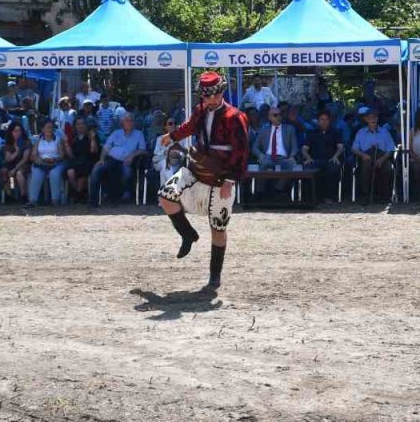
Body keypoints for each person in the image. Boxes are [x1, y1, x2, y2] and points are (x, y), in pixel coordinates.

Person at [159, 71, 250, 292]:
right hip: (195, 168)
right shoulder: (200, 110)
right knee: (166, 196)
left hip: (222, 175)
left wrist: (230, 179)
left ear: (221, 92)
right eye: (207, 96)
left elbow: (242, 151)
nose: (211, 100)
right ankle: (187, 234)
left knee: (218, 227)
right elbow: (190, 126)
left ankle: (214, 276)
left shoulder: (235, 117)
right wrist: (172, 136)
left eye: (215, 95)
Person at [91, 113, 148, 203]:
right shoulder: (116, 133)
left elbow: (143, 150)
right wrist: (101, 159)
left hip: (127, 161)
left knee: (127, 173)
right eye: (127, 121)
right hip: (111, 159)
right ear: (122, 122)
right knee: (97, 169)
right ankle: (93, 200)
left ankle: (118, 196)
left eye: (131, 121)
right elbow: (106, 148)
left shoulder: (139, 134)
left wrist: (132, 156)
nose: (129, 123)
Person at [352, 107, 396, 201]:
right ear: (366, 119)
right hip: (366, 157)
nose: (373, 119)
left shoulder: (385, 132)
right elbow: (354, 148)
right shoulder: (361, 132)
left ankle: (385, 196)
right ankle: (365, 194)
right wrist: (363, 155)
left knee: (388, 167)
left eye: (375, 117)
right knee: (366, 165)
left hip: (382, 157)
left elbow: (391, 149)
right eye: (370, 117)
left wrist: (382, 159)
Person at [303, 108, 345, 203]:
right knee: (309, 168)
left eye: (326, 119)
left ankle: (328, 196)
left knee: (334, 168)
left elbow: (340, 147)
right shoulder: (312, 133)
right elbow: (304, 149)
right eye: (322, 119)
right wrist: (308, 158)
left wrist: (336, 156)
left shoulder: (336, 132)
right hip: (315, 159)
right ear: (318, 121)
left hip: (331, 159)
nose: (324, 121)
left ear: (330, 120)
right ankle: (312, 197)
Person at [26, 120, 68, 206]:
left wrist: (54, 159)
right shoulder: (38, 140)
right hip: (41, 162)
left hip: (56, 162)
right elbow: (33, 155)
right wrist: (38, 159)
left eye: (51, 127)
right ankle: (33, 200)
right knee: (36, 173)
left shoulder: (58, 140)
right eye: (48, 127)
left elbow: (62, 155)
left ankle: (55, 200)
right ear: (43, 129)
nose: (50, 129)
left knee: (54, 174)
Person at [253, 107, 301, 171]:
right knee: (264, 164)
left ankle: (282, 181)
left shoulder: (290, 129)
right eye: (275, 115)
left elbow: (294, 146)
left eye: (280, 115)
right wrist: (261, 156)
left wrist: (292, 157)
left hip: (284, 159)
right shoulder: (264, 131)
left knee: (291, 166)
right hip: (268, 158)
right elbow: (255, 147)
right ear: (269, 117)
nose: (278, 117)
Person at [64, 117, 99, 204]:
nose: (81, 126)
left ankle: (78, 195)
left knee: (82, 170)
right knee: (70, 172)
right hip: (76, 161)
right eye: (78, 124)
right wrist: (66, 144)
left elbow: (93, 151)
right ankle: (80, 193)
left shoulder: (91, 136)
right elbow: (71, 155)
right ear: (75, 126)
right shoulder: (73, 137)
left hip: (89, 160)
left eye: (83, 123)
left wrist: (93, 139)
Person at [0, 122, 31, 202]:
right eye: (15, 131)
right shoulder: (9, 143)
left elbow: (25, 158)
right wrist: (16, 152)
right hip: (11, 164)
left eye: (19, 131)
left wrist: (15, 169)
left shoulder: (26, 142)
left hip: (23, 164)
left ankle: (23, 195)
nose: (17, 133)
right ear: (11, 132)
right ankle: (9, 194)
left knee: (19, 173)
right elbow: (8, 159)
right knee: (3, 171)